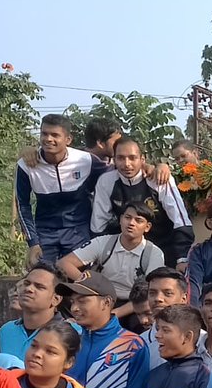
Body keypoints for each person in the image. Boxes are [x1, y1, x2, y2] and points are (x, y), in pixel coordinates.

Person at [16, 114, 109, 264]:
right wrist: (33, 243)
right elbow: (22, 205)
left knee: (78, 281)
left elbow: (118, 173)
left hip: (79, 232)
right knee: (43, 278)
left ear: (68, 139)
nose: (48, 139)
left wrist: (151, 168)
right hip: (45, 232)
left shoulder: (85, 160)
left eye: (55, 135)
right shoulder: (27, 164)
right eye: (44, 134)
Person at [90, 136, 195, 269]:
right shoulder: (106, 181)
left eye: (132, 158)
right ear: (114, 160)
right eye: (121, 158)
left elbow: (180, 221)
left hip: (165, 248)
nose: (127, 164)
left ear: (142, 159)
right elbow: (98, 225)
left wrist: (181, 258)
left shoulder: (159, 179)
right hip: (127, 250)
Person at [58, 202, 165, 316]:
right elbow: (64, 263)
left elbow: (151, 293)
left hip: (133, 305)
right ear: (120, 219)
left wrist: (114, 314)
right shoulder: (103, 242)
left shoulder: (154, 253)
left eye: (138, 220)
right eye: (127, 218)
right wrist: (89, 284)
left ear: (147, 227)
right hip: (99, 297)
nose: (131, 223)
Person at [0, 262, 73, 360]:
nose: (29, 289)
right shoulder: (6, 330)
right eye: (26, 283)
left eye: (39, 287)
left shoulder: (71, 334)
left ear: (56, 299)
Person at [139, 267, 191, 370]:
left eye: (168, 293)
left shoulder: (202, 341)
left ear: (184, 298)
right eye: (152, 293)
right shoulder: (139, 344)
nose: (158, 299)